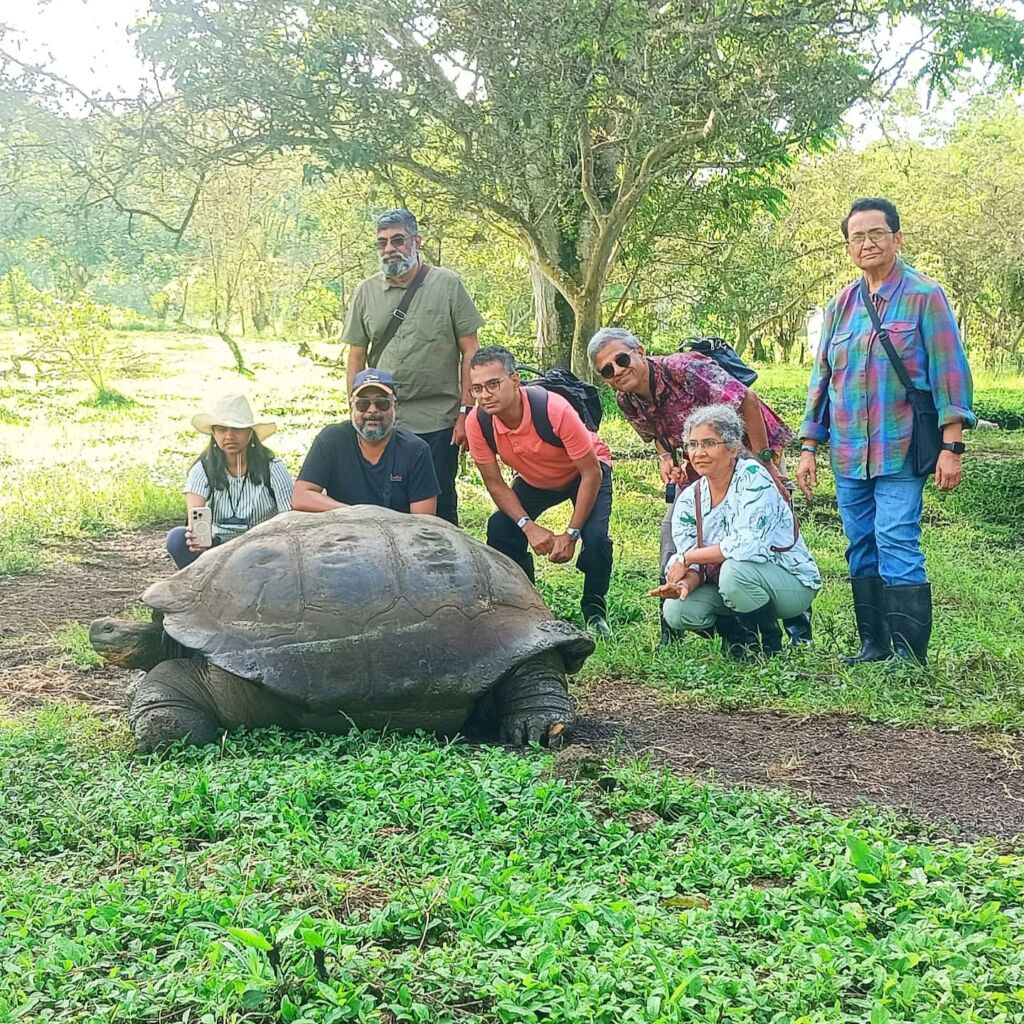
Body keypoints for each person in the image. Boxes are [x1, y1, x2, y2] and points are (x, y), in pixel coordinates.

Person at [796, 198, 975, 666]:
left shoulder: (924, 296)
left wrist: (951, 445)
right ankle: (873, 643)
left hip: (902, 445)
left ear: (897, 238)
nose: (868, 243)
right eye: (858, 236)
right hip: (849, 452)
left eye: (877, 233)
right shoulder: (840, 306)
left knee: (896, 536)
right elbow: (822, 380)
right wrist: (810, 446)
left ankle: (908, 653)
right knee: (859, 543)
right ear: (848, 246)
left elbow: (949, 373)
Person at [586, 325, 802, 645]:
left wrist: (765, 463)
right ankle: (676, 631)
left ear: (640, 351)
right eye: (607, 370)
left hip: (747, 447)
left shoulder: (684, 369)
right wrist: (664, 458)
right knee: (674, 531)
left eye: (621, 359)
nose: (617, 370)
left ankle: (797, 627)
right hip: (700, 462)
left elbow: (748, 400)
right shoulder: (627, 399)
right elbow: (657, 436)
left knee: (763, 533)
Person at [343, 208, 484, 526]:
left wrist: (466, 411)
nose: (390, 248)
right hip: (383, 416)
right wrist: (356, 406)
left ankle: (446, 569)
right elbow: (356, 355)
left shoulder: (448, 284)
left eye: (398, 240)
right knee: (383, 501)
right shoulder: (366, 292)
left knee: (440, 505)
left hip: (439, 419)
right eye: (382, 243)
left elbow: (470, 350)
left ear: (416, 241)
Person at [649, 405, 821, 659]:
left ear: (732, 448)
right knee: (677, 610)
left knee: (734, 570)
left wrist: (687, 559)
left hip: (789, 582)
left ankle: (769, 644)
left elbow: (745, 546)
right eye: (692, 445)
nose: (699, 453)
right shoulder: (689, 498)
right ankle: (739, 639)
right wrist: (684, 583)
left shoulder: (755, 478)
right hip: (733, 585)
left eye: (709, 443)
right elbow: (693, 562)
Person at [465, 346, 615, 636]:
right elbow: (495, 483)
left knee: (594, 537)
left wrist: (571, 533)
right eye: (477, 389)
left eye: (493, 384)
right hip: (535, 477)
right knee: (501, 527)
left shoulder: (553, 409)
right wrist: (527, 525)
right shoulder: (478, 422)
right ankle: (523, 605)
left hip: (584, 471)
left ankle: (594, 609)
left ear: (515, 380)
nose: (485, 395)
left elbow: (590, 472)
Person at [167, 394, 294, 569]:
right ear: (213, 433)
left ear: (250, 433)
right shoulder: (202, 469)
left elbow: (289, 518)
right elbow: (194, 515)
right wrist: (199, 538)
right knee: (177, 538)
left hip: (263, 546)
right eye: (221, 429)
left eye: (237, 429)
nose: (229, 436)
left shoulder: (272, 467)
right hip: (217, 545)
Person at [292, 369, 440, 515]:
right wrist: (356, 514)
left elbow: (424, 520)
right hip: (342, 533)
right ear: (352, 407)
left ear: (395, 406)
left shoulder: (416, 450)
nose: (372, 410)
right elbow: (300, 497)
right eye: (362, 404)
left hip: (399, 535)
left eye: (382, 403)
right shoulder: (331, 440)